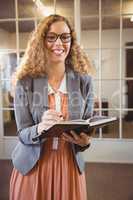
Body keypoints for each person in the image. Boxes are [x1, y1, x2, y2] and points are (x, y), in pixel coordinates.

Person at [10, 14, 95, 200]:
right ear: (41, 42)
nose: (59, 43)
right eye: (51, 37)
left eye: (65, 37)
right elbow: (23, 133)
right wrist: (40, 128)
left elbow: (87, 126)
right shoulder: (25, 83)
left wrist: (85, 142)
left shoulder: (84, 81)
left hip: (69, 167)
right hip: (33, 168)